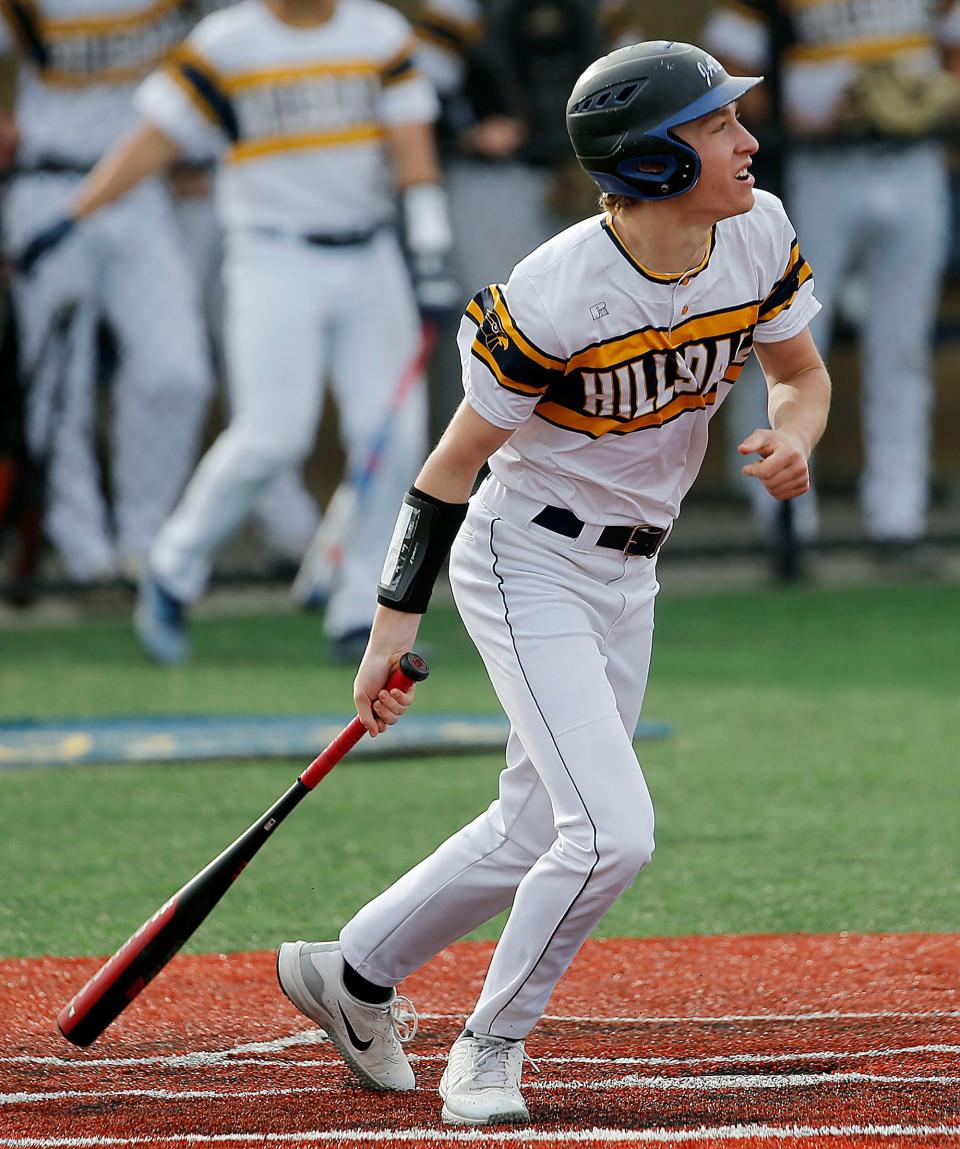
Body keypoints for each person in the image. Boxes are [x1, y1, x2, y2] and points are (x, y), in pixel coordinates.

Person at [274, 41, 831, 1127]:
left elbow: (798, 377)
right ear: (655, 161)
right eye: (718, 127)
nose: (747, 141)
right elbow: (449, 469)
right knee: (611, 834)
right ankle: (491, 1047)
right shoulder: (558, 290)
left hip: (633, 573)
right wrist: (391, 627)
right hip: (527, 558)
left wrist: (793, 436)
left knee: (536, 826)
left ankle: (349, 974)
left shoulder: (756, 232)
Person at [19, 0, 456, 664]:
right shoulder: (227, 42)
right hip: (271, 256)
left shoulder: (377, 33)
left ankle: (357, 608)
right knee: (273, 433)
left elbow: (412, 147)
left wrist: (429, 249)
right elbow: (153, 138)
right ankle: (173, 565)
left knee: (390, 440)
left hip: (370, 257)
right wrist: (73, 214)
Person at [703, 1, 960, 550]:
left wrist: (939, 98)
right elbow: (725, 68)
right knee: (785, 342)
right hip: (818, 163)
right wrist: (793, 117)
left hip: (914, 159)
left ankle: (899, 518)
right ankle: (786, 521)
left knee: (902, 348)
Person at [0, 0, 211, 588]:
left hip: (140, 192)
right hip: (47, 186)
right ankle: (83, 550)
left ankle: (142, 543)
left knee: (178, 373)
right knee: (56, 386)